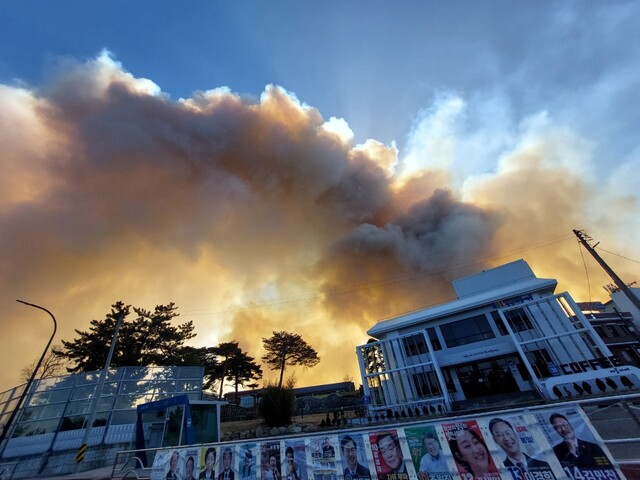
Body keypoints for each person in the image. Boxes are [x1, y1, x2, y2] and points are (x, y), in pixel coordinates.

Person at [488, 418, 552, 478]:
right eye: (499, 435)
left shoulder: (543, 465)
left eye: (508, 433)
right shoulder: (500, 471)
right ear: (495, 440)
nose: (506, 438)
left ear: (515, 434)